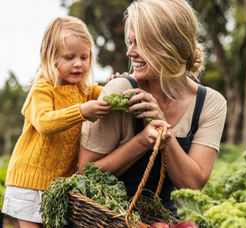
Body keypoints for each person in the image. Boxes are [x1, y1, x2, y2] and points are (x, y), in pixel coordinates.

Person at [78, 0, 227, 218]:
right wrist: (141, 142)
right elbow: (85, 174)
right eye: (130, 42)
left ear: (168, 45)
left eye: (140, 44)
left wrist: (163, 129)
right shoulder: (120, 91)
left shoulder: (210, 103)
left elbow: (192, 186)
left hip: (160, 219)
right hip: (104, 218)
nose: (130, 53)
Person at [2, 16, 112, 227]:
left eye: (84, 56)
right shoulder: (42, 88)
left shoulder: (86, 90)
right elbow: (44, 122)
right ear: (51, 58)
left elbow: (108, 94)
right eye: (69, 57)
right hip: (29, 183)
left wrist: (117, 82)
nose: (78, 63)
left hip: (58, 187)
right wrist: (81, 110)